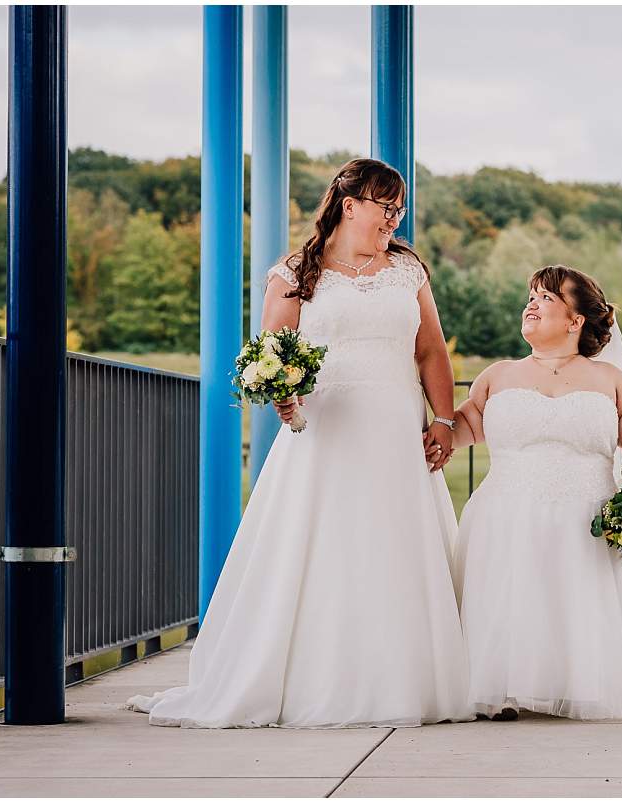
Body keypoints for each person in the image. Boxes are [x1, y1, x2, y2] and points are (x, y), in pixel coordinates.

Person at [125, 158, 474, 728]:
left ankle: (404, 679)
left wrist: (442, 418)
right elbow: (274, 357)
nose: (394, 219)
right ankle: (314, 678)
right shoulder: (295, 271)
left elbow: (431, 350)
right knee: (322, 548)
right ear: (349, 203)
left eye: (400, 209)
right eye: (385, 207)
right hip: (327, 433)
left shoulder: (408, 269)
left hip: (395, 430)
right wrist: (284, 397)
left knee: (397, 547)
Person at [448, 264, 622, 721]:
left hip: (586, 511)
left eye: (547, 298)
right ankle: (502, 689)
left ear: (576, 321)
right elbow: (466, 425)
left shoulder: (609, 379)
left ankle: (580, 683)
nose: (531, 303)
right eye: (530, 295)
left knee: (577, 599)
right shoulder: (497, 375)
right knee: (509, 597)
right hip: (506, 509)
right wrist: (433, 438)